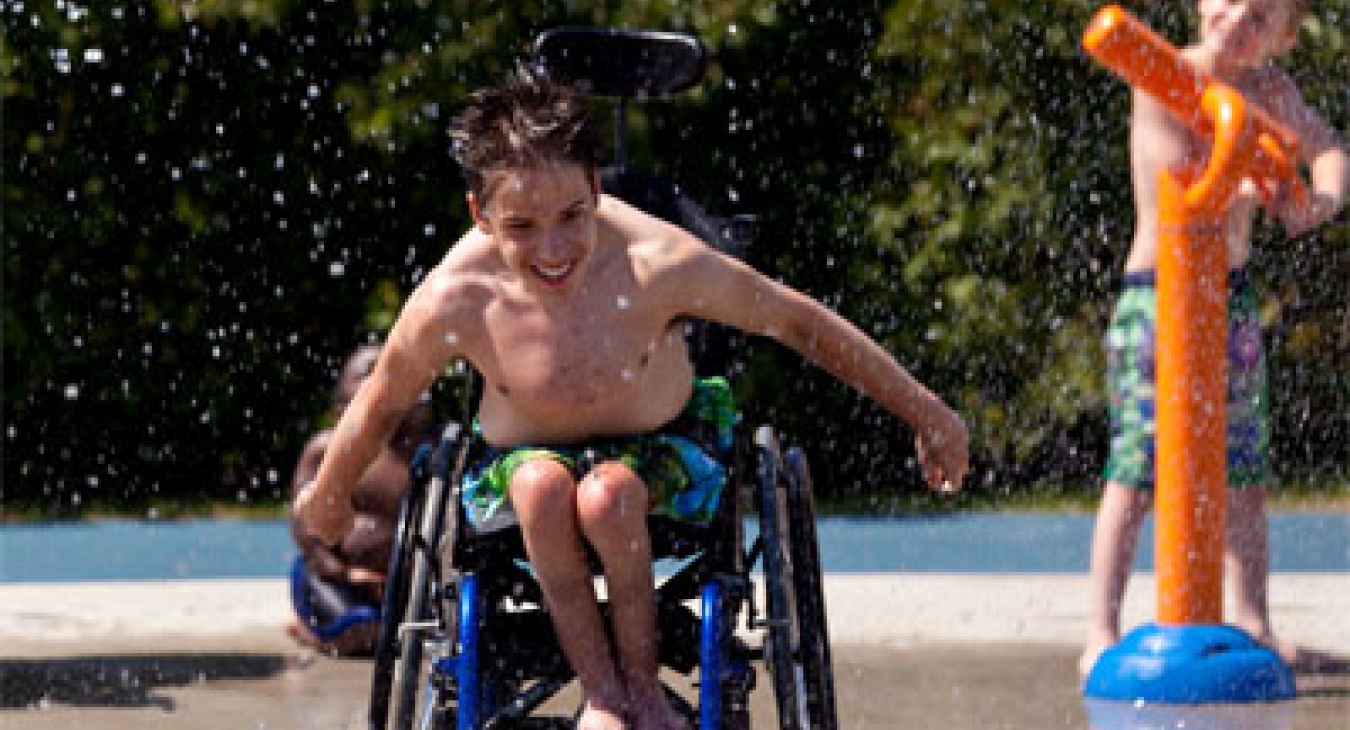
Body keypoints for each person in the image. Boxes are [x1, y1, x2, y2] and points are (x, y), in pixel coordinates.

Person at [294, 66, 969, 730]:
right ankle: (605, 695)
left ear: (595, 187)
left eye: (571, 216)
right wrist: (330, 491)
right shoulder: (456, 295)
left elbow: (798, 322)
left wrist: (925, 410)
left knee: (608, 495)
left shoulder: (657, 264)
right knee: (539, 489)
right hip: (522, 466)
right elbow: (383, 397)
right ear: (481, 214)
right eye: (521, 226)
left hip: (663, 456)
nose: (552, 249)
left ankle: (640, 689)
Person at [1081, 0, 1347, 677]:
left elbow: (1328, 148)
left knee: (1243, 470)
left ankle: (1254, 621)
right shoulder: (1165, 73)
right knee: (1137, 469)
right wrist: (1268, 177)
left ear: (1284, 38)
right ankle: (1100, 631)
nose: (1237, 18)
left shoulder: (1272, 92)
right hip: (1159, 298)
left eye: (1262, 16)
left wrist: (1320, 199)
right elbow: (1189, 181)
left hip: (1228, 301)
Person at [287, 343, 434, 657]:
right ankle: (311, 629)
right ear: (342, 404)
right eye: (368, 375)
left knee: (437, 637)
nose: (381, 382)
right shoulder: (325, 450)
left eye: (391, 370)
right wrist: (346, 573)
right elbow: (305, 531)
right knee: (366, 633)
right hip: (337, 576)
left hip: (403, 582)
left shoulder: (428, 450)